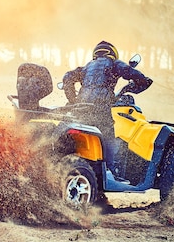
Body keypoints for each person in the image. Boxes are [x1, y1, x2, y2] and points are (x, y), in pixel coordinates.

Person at [62, 40, 152, 179]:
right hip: (100, 109)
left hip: (80, 110)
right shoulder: (113, 63)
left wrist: (73, 100)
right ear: (112, 53)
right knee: (108, 137)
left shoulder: (86, 68)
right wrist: (143, 80)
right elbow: (129, 71)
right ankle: (110, 170)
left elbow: (67, 77)